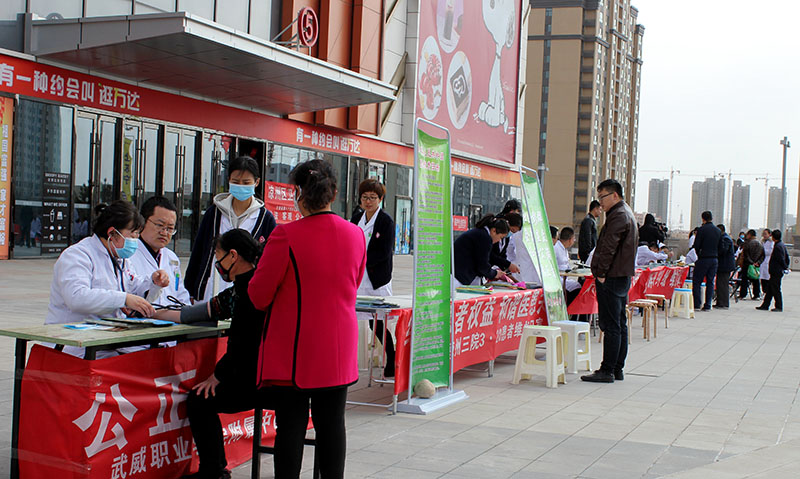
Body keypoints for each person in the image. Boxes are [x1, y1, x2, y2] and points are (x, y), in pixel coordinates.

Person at [248, 159, 366, 478]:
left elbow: (258, 295)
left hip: (296, 350)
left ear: (297, 193)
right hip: (339, 347)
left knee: (291, 426)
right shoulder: (356, 234)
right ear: (334, 193)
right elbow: (353, 283)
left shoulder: (286, 235)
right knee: (332, 425)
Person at [180, 229, 266, 479]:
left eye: (218, 256)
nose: (217, 263)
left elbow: (244, 344)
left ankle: (213, 471)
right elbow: (206, 310)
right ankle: (215, 470)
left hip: (256, 380)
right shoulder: (250, 285)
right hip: (267, 374)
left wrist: (218, 376)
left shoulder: (247, 291)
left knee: (200, 399)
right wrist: (153, 312)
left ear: (233, 256)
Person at [45, 200, 170, 356]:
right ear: (112, 233)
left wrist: (153, 283)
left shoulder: (120, 259)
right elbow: (76, 297)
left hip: (105, 340)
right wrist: (123, 299)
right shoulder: (77, 255)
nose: (136, 240)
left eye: (137, 234)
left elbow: (134, 289)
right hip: (72, 345)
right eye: (132, 234)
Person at [185, 156, 276, 302]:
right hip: (210, 289)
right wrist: (190, 289)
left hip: (245, 296)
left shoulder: (265, 219)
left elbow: (269, 261)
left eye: (246, 182)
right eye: (235, 182)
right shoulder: (214, 213)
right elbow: (199, 251)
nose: (240, 186)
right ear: (228, 180)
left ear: (257, 182)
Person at [581, 179, 637, 384]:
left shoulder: (619, 216)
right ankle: (617, 368)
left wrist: (601, 272)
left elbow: (608, 248)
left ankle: (607, 369)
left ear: (615, 195)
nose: (600, 202)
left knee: (612, 325)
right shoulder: (624, 212)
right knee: (619, 323)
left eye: (602, 197)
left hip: (612, 276)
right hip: (620, 275)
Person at [351, 178, 396, 378]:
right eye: (365, 197)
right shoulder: (356, 218)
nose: (368, 201)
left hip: (377, 279)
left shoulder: (386, 221)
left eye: (372, 198)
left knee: (377, 322)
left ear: (380, 199)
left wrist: (361, 259)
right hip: (358, 277)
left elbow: (385, 252)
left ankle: (391, 358)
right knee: (355, 317)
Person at [129, 196, 191, 308]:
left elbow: (181, 295)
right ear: (142, 222)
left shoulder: (172, 258)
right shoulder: (129, 255)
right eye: (159, 225)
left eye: (170, 228)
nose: (164, 232)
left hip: (171, 316)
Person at [454, 215, 511, 287]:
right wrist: (495, 273)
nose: (499, 240)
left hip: (460, 273)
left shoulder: (480, 233)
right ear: (494, 231)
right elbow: (482, 265)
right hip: (459, 276)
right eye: (500, 237)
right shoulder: (484, 237)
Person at [691, 211, 721, 311]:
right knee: (710, 282)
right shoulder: (718, 231)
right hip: (714, 259)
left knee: (697, 281)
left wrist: (699, 255)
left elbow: (697, 245)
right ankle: (708, 304)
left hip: (704, 258)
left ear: (703, 219)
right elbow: (720, 246)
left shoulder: (701, 230)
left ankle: (697, 304)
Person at [757, 229, 789, 312]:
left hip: (776, 271)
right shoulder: (781, 245)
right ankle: (765, 305)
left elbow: (781, 259)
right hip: (775, 271)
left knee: (776, 289)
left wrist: (785, 267)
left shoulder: (778, 246)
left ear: (773, 237)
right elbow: (787, 257)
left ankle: (779, 306)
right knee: (770, 289)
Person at [553, 227, 581, 304]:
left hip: (565, 277)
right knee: (577, 287)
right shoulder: (556, 248)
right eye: (574, 239)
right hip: (558, 278)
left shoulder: (564, 249)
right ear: (570, 239)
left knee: (578, 285)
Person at [739, 229, 764, 300]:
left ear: (750, 235)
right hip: (756, 265)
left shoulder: (747, 243)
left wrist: (751, 262)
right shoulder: (760, 244)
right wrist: (758, 262)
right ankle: (756, 295)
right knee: (755, 279)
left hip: (747, 264)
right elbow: (763, 255)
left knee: (744, 280)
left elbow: (746, 255)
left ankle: (743, 294)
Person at [714, 224, 735, 309]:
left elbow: (723, 251)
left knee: (722, 284)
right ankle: (720, 302)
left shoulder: (725, 239)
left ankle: (723, 303)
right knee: (720, 284)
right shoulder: (724, 238)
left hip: (725, 265)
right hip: (723, 265)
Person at [759, 228, 773, 298]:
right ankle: (764, 291)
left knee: (767, 279)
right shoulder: (762, 242)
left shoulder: (771, 242)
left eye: (765, 234)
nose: (764, 235)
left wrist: (763, 250)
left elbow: (770, 252)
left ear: (769, 234)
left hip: (768, 261)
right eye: (763, 234)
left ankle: (767, 293)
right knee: (762, 279)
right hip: (763, 261)